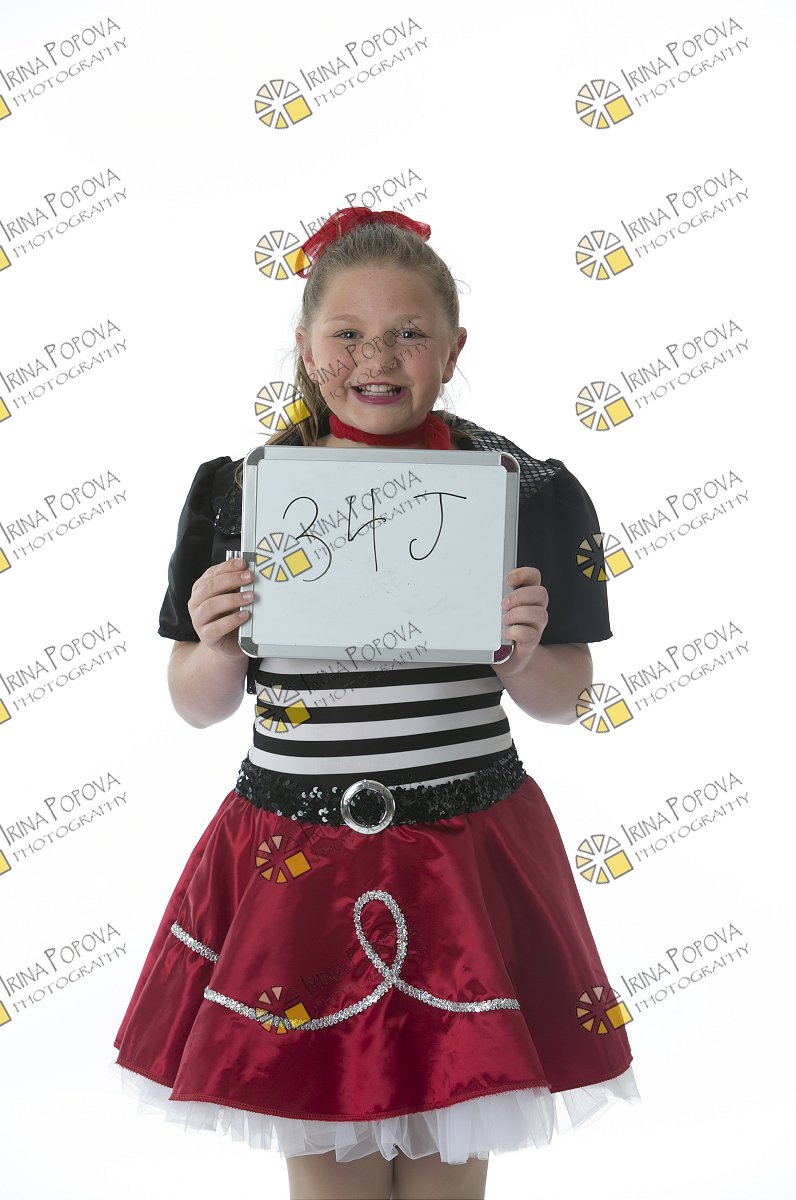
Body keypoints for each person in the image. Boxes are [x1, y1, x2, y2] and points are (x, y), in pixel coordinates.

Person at [108, 206, 642, 1200]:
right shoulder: (240, 492)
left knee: (450, 1156)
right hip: (295, 860)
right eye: (348, 333)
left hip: (462, 852)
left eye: (408, 333)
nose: (377, 358)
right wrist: (214, 642)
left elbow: (568, 697)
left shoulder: (521, 490)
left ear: (453, 350)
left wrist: (523, 654)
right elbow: (194, 705)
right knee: (326, 1164)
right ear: (307, 348)